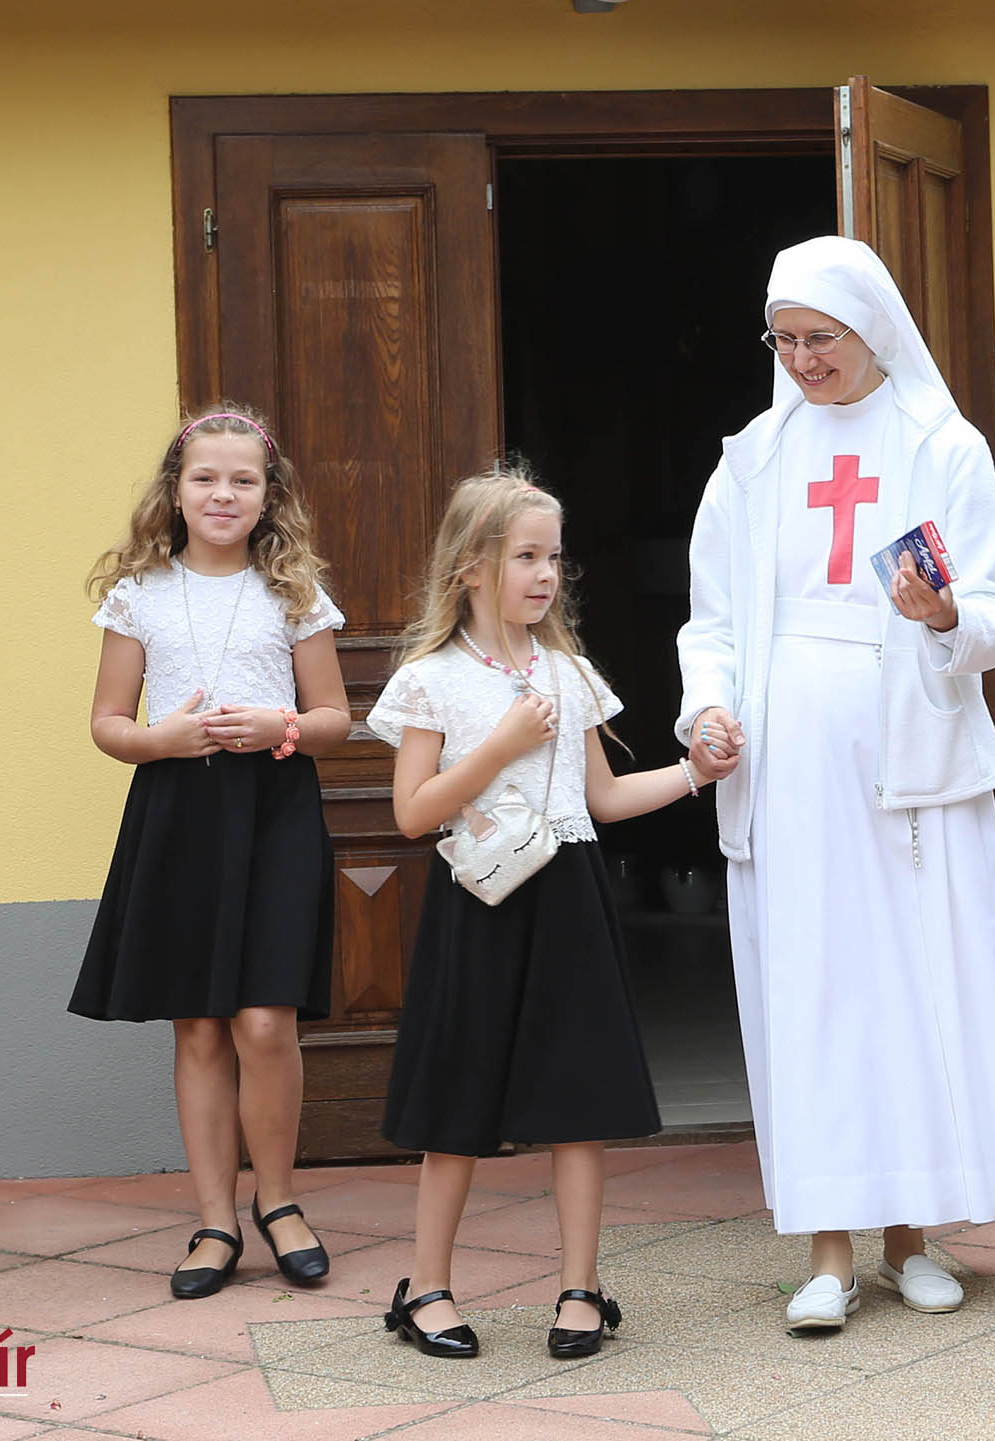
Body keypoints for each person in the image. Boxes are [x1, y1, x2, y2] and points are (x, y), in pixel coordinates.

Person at [676, 236, 995, 1331]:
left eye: (819, 338)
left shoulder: (941, 445)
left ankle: (910, 1238)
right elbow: (712, 621)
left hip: (909, 763)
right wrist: (707, 708)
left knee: (912, 991)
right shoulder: (752, 460)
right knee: (815, 994)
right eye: (782, 340)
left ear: (870, 328)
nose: (800, 360)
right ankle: (829, 1253)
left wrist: (946, 615)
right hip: (789, 765)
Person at [366, 465, 716, 1360]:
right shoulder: (432, 679)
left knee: (577, 1093)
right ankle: (427, 1286)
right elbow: (412, 812)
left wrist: (695, 774)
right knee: (458, 1091)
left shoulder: (569, 672)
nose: (546, 574)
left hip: (570, 895)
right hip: (478, 901)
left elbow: (603, 797)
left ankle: (581, 1285)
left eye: (554, 557)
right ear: (471, 566)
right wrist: (501, 745)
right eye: (526, 556)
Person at [72, 405, 351, 1301]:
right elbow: (108, 722)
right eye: (205, 477)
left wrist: (282, 726)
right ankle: (214, 1219)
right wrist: (161, 739)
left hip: (275, 808)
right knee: (198, 1023)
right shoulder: (140, 592)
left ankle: (280, 1201)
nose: (223, 493)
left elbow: (337, 719)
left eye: (242, 479)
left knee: (265, 1020)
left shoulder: (295, 591)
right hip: (179, 811)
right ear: (176, 490)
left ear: (270, 495)